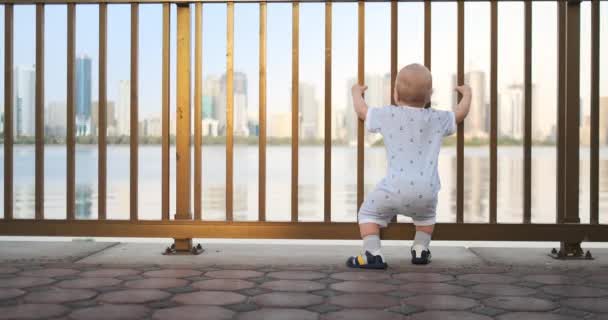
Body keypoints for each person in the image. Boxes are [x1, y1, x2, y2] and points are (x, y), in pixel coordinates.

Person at [347, 63, 471, 268]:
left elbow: (362, 112)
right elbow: (460, 113)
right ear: (429, 96)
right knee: (427, 219)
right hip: (427, 191)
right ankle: (421, 249)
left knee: (367, 214)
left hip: (394, 188)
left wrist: (356, 92)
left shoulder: (388, 115)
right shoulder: (437, 118)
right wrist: (467, 93)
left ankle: (372, 253)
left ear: (395, 95)